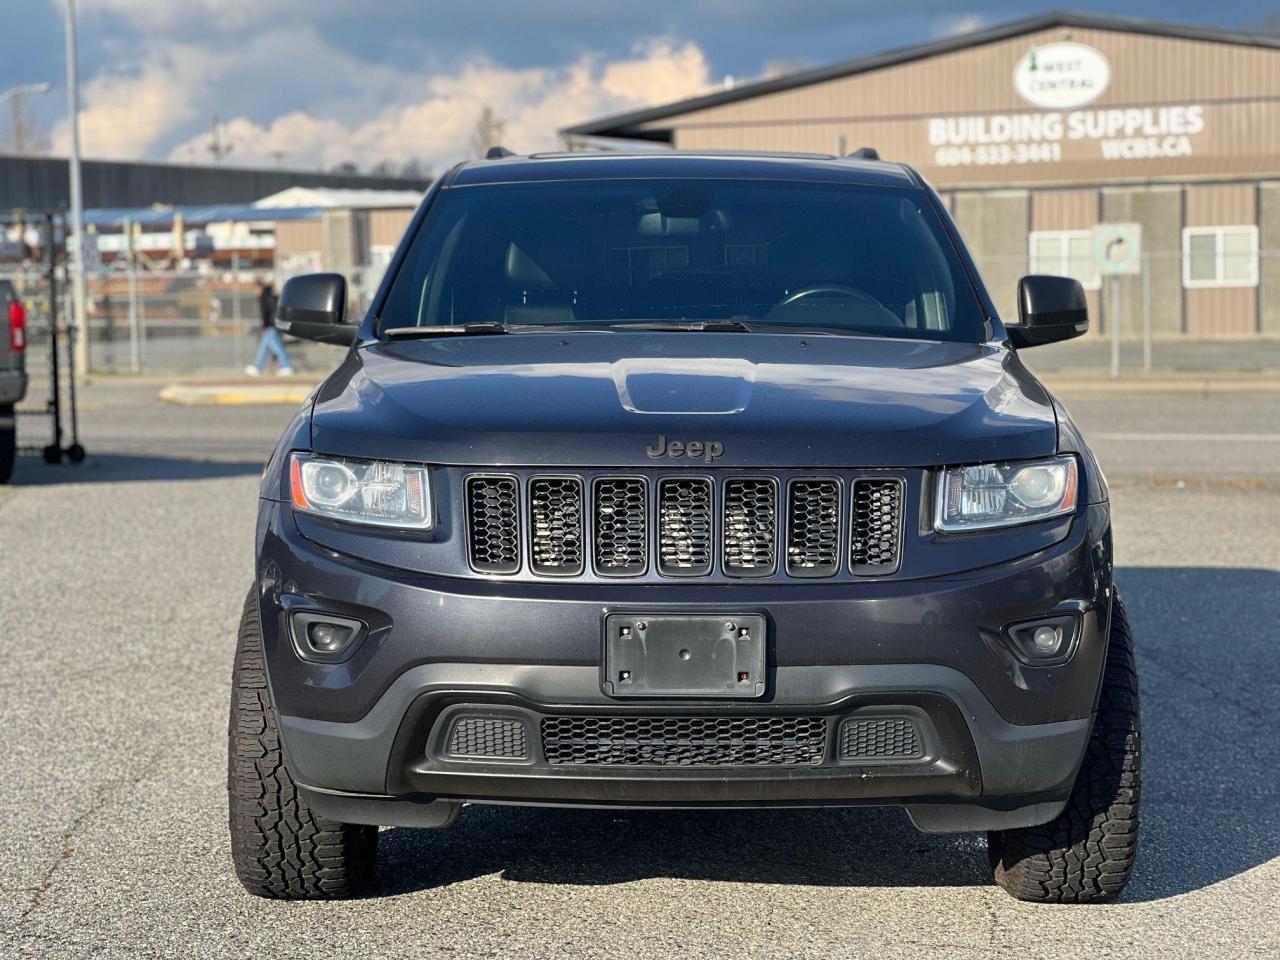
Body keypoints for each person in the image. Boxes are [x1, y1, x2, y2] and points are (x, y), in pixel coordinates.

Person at [245, 279, 293, 376]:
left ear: (259, 287)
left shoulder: (263, 297)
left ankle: (286, 366)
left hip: (271, 326)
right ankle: (257, 367)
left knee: (276, 346)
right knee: (265, 345)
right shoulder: (272, 295)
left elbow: (265, 314)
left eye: (255, 289)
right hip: (278, 325)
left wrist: (265, 326)